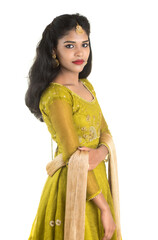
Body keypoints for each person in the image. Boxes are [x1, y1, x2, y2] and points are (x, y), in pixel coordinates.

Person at [25, 13, 122, 240]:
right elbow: (73, 154)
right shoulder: (56, 95)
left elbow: (105, 132)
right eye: (70, 45)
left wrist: (99, 153)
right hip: (74, 187)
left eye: (84, 44)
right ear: (53, 51)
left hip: (95, 177)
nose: (80, 53)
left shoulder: (86, 86)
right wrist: (104, 208)